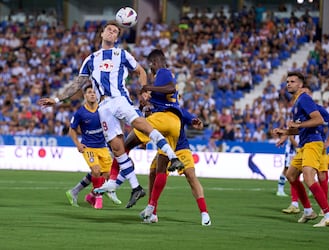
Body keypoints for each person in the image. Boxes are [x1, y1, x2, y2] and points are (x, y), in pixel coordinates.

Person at [38, 20, 184, 209]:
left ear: (116, 38)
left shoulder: (122, 54)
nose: (111, 33)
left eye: (115, 32)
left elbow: (140, 71)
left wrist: (144, 90)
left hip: (119, 99)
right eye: (109, 30)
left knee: (142, 125)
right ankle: (136, 187)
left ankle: (173, 157)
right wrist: (57, 100)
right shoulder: (91, 59)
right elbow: (78, 83)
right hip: (104, 106)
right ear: (102, 34)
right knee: (117, 148)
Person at [273, 71, 329, 227]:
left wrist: (298, 125)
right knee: (291, 175)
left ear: (300, 85)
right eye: (287, 81)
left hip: (313, 143)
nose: (289, 83)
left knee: (310, 177)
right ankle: (308, 211)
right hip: (304, 144)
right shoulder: (296, 103)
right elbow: (299, 129)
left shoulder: (304, 99)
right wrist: (286, 132)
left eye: (293, 81)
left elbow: (319, 120)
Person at [138, 108, 211, 226]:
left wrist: (197, 122)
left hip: (181, 148)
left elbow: (192, 119)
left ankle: (204, 213)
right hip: (165, 149)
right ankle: (153, 213)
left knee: (191, 176)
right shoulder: (155, 110)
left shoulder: (178, 110)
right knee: (152, 173)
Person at [65, 85, 121, 208]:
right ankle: (98, 197)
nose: (92, 94)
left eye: (94, 92)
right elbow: (72, 130)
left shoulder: (103, 109)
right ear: (85, 95)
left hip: (102, 147)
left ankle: (85, 194)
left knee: (106, 175)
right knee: (96, 170)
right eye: (89, 92)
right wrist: (78, 144)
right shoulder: (80, 112)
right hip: (88, 147)